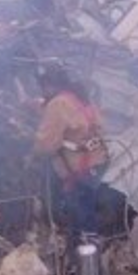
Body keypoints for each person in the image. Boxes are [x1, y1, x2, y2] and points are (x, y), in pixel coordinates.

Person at [31, 65, 108, 240]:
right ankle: (92, 244)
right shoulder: (79, 98)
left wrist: (32, 153)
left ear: (49, 84)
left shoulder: (57, 104)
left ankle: (82, 255)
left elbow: (46, 144)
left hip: (79, 170)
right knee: (89, 211)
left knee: (79, 218)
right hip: (96, 163)